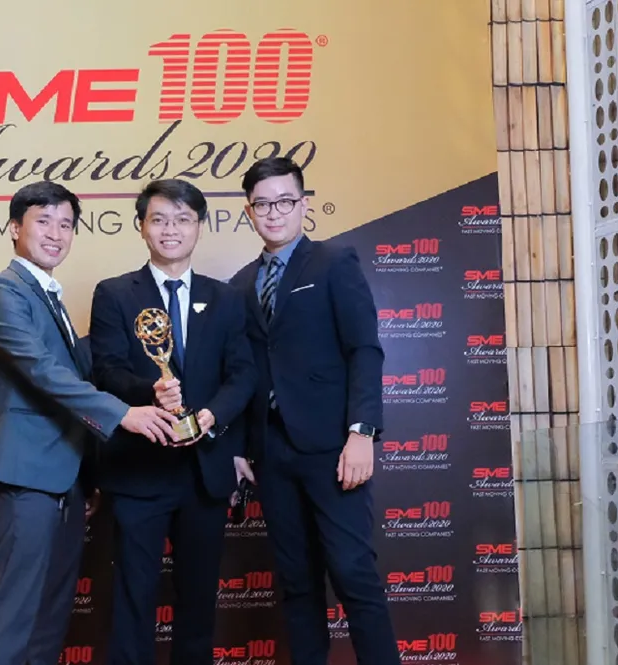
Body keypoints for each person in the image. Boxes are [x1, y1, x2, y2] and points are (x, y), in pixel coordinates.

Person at [0, 181, 181, 665]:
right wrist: (124, 414)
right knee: (14, 615)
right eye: (43, 221)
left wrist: (91, 475)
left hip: (67, 481)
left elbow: (79, 380)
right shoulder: (2, 292)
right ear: (14, 228)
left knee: (50, 614)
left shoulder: (50, 296)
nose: (56, 233)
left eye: (66, 224)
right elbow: (43, 373)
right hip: (27, 476)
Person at [228, 157, 400, 665]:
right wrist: (240, 449)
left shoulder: (333, 261)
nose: (274, 212)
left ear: (303, 205)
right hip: (270, 450)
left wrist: (362, 432)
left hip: (332, 447)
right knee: (297, 582)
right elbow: (241, 373)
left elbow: (364, 349)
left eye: (284, 201)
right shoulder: (240, 284)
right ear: (248, 212)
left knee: (352, 572)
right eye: (262, 204)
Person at [89, 179, 257, 665]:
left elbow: (243, 373)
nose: (171, 230)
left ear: (199, 227)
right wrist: (151, 391)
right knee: (132, 599)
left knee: (199, 602)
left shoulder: (226, 298)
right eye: (159, 219)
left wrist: (213, 415)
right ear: (142, 226)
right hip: (138, 469)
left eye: (183, 219)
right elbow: (106, 370)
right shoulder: (114, 293)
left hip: (204, 472)